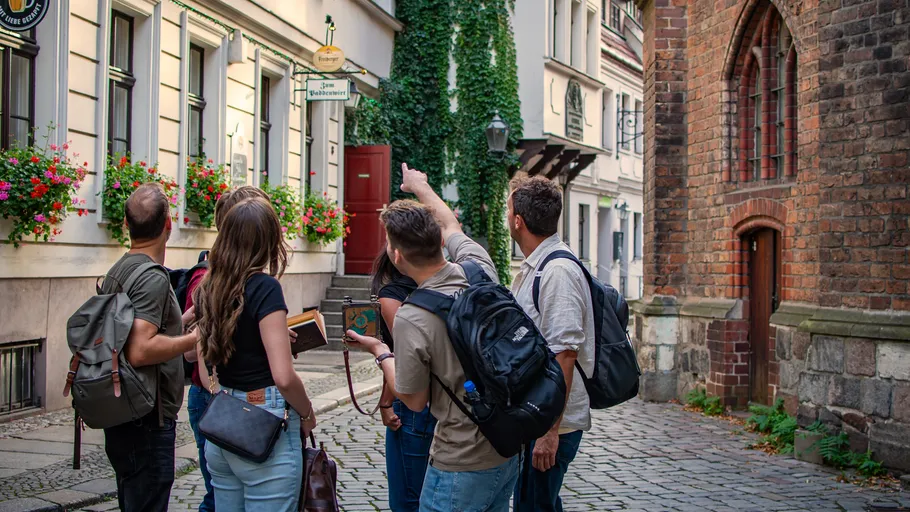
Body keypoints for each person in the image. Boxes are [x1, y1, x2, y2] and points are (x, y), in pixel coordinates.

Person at [347, 163, 518, 512]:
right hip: (505, 446)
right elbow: (450, 222)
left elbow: (413, 401)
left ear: (396, 255)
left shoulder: (413, 316)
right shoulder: (478, 266)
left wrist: (381, 350)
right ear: (441, 241)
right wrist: (420, 186)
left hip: (460, 460)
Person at [193, 197, 316, 512]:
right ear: (270, 240)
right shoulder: (265, 288)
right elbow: (284, 376)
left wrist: (220, 390)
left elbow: (202, 360)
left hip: (223, 424)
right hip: (264, 421)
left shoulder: (210, 286)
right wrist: (306, 412)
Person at [100, 182, 199, 512]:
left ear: (126, 225)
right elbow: (140, 349)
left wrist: (184, 319)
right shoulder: (153, 277)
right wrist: (197, 337)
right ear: (169, 225)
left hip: (126, 416)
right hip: (146, 420)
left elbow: (137, 331)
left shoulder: (120, 269)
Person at [507, 176, 595, 512]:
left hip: (550, 421)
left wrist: (548, 432)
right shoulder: (540, 265)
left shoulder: (557, 271)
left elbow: (565, 355)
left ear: (519, 220)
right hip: (535, 415)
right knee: (538, 503)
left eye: (508, 209)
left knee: (534, 506)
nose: (507, 217)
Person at [182, 185, 273, 512]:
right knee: (218, 498)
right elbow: (192, 351)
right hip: (217, 399)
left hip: (231, 399)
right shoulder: (210, 279)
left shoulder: (250, 279)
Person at [370, 251, 437, 512]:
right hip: (443, 401)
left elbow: (405, 357)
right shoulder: (440, 285)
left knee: (407, 498)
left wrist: (386, 403)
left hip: (410, 405)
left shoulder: (393, 294)